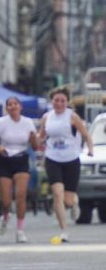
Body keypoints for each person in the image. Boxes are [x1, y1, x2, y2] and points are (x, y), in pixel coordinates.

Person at [37, 87, 94, 242]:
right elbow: (41, 136)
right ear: (52, 101)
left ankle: (74, 203)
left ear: (67, 102)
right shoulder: (46, 117)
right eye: (56, 100)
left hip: (71, 160)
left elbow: (86, 135)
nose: (59, 103)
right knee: (57, 193)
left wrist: (90, 149)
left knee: (68, 200)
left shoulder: (73, 117)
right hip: (52, 158)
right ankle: (64, 230)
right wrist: (32, 139)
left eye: (62, 101)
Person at [0, 96, 39, 243]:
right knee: (5, 200)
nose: (12, 107)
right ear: (6, 108)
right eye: (9, 105)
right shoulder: (1, 122)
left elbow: (35, 146)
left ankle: (20, 230)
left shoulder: (28, 122)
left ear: (20, 106)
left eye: (15, 104)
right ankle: (5, 216)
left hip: (21, 159)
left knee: (20, 195)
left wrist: (34, 137)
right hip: (4, 160)